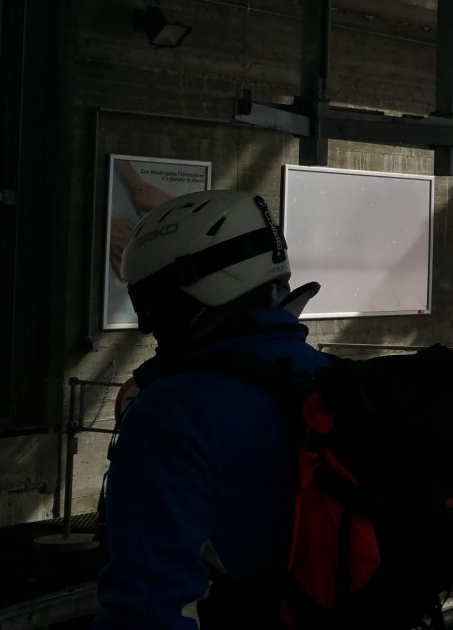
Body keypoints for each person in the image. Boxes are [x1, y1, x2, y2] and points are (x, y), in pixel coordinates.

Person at [95, 191, 325, 630]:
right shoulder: (325, 378)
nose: (147, 325)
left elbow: (147, 606)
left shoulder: (173, 412)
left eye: (153, 303)